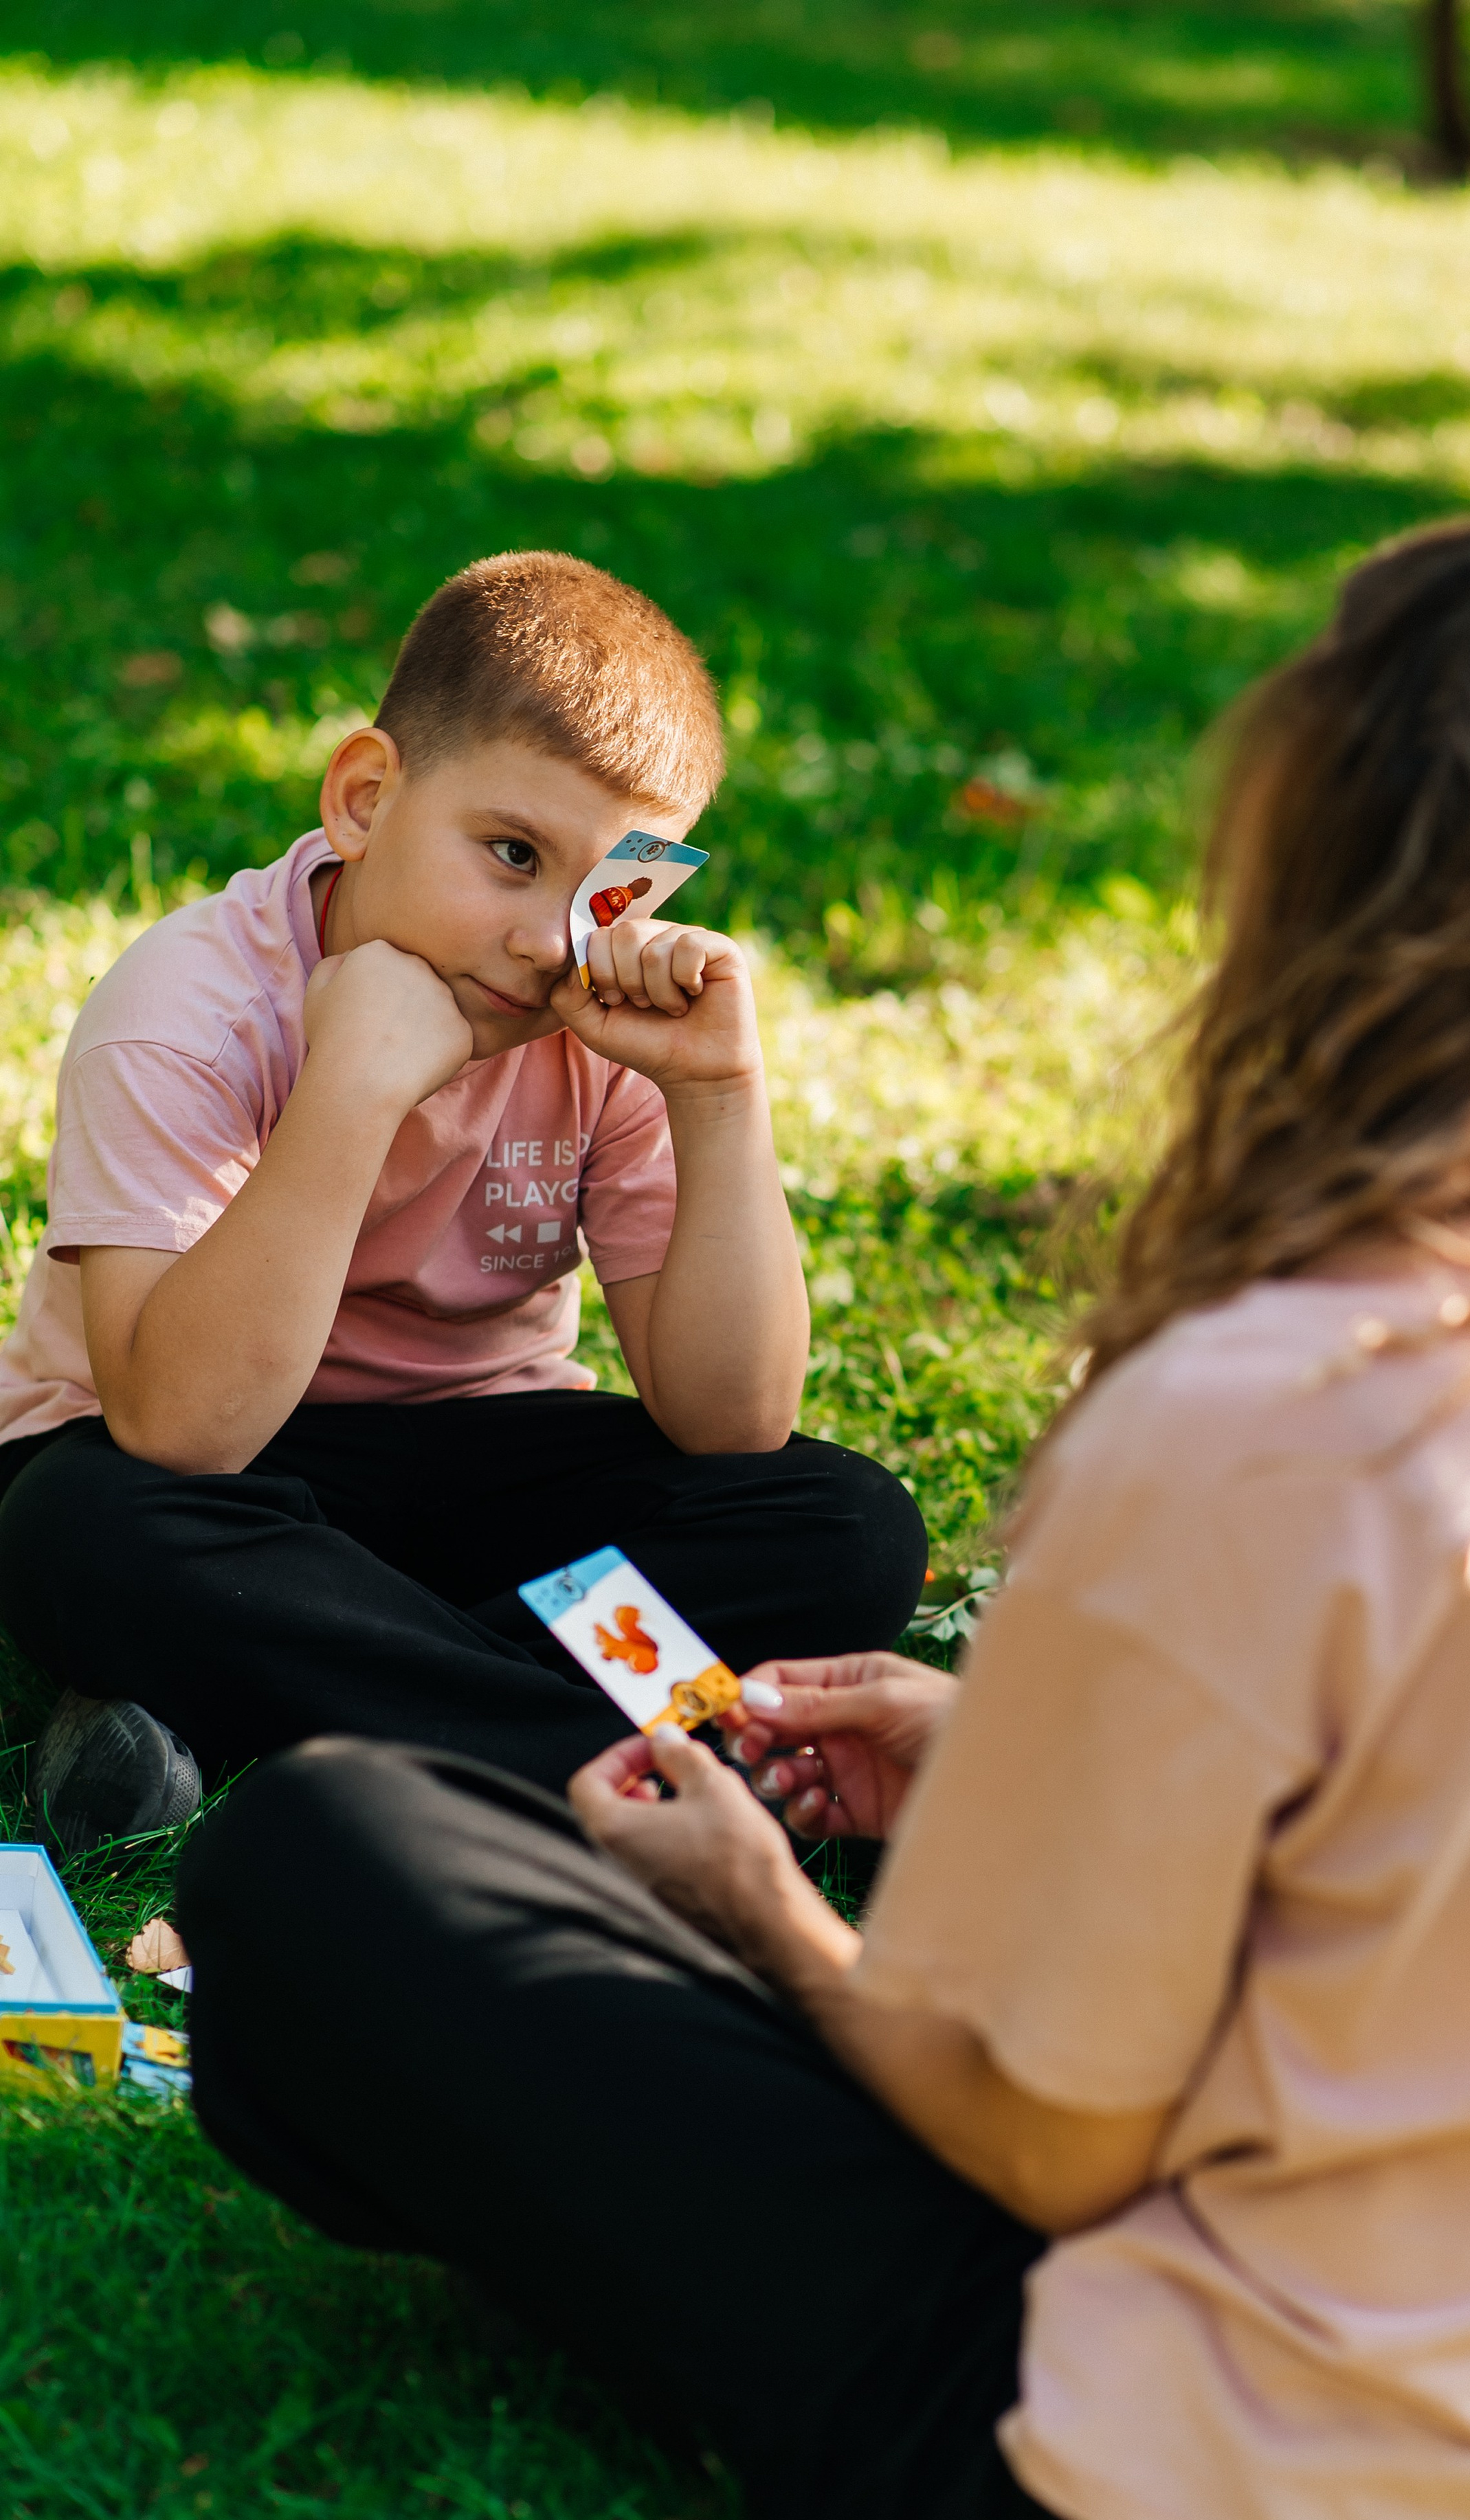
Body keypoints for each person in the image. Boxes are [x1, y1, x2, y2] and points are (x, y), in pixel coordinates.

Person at [179, 508, 1470, 2520]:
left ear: (1317, 893)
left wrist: (759, 1917)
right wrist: (1016, 1747)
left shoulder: (1264, 1407)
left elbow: (1048, 2144)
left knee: (317, 1861)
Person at [0, 551, 924, 1855]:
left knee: (847, 1527)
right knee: (77, 1534)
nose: (554, 939)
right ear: (368, 796)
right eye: (510, 854)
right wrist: (350, 1095)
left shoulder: (603, 1025)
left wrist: (720, 1097)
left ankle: (239, 1718)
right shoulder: (186, 1017)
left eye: (612, 891)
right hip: (217, 1479)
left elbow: (733, 1421)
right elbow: (180, 1430)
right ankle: (629, 1769)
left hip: (467, 1492)